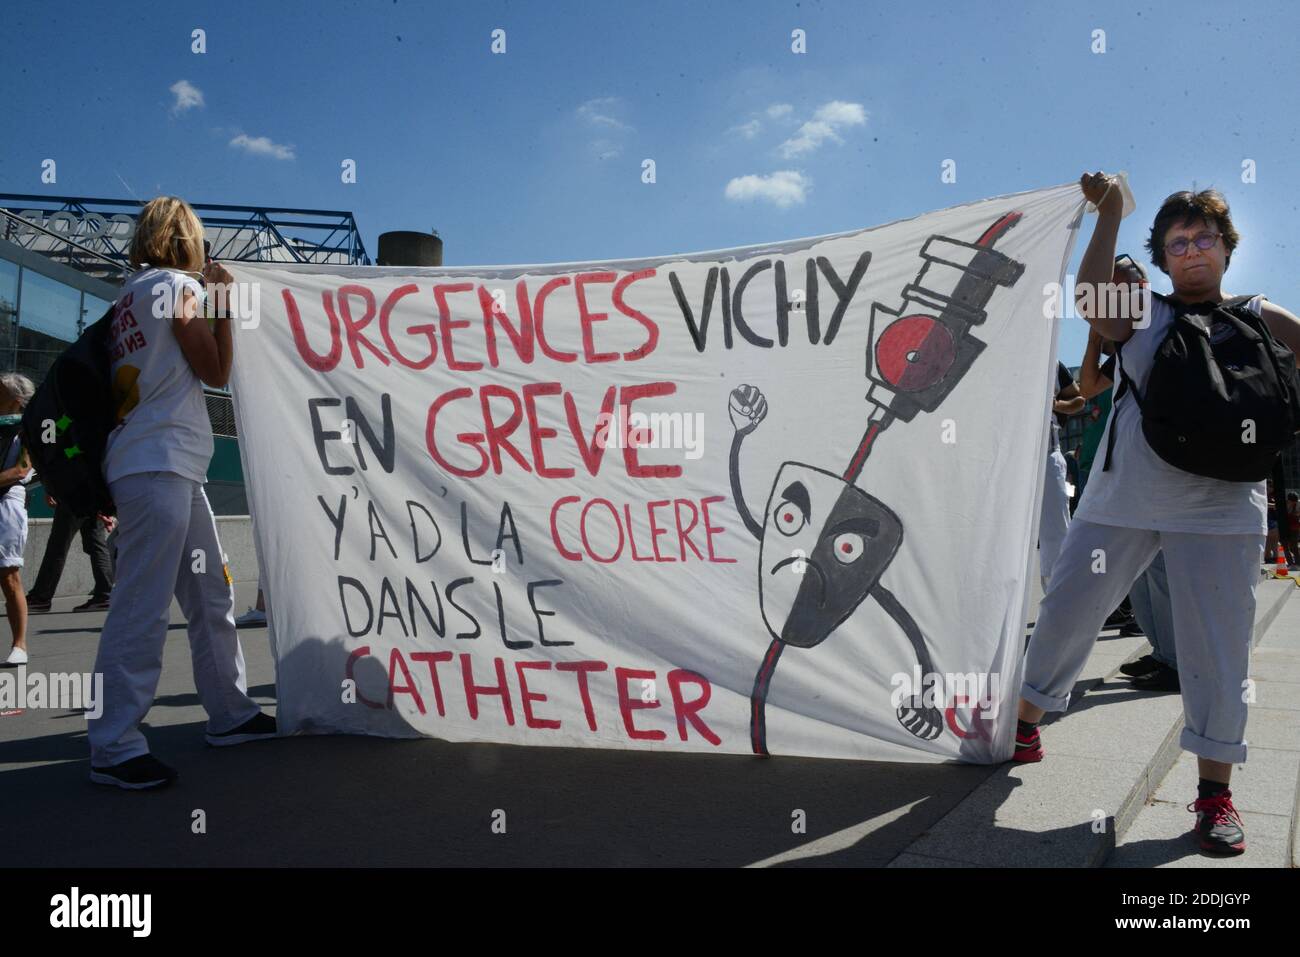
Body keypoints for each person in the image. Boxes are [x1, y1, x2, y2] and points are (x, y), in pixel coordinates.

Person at [1014, 174, 1300, 855]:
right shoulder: (1144, 311)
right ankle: (1024, 720)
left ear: (1227, 250)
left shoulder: (1265, 315)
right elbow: (1088, 298)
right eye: (1178, 241)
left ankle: (1213, 794)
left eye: (1205, 238)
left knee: (1219, 657)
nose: (1193, 249)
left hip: (1226, 510)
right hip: (1124, 503)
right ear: (1164, 256)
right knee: (1065, 614)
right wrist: (1110, 210)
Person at [86, 196, 275, 790]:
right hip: (159, 461)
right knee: (143, 604)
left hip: (160, 463)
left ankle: (231, 712)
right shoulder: (173, 286)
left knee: (209, 591)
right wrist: (222, 301)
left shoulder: (128, 296)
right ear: (184, 240)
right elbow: (215, 370)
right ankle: (114, 743)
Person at [25, 492, 115, 613]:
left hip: (72, 496)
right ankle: (105, 595)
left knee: (58, 546)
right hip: (94, 495)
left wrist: (51, 490)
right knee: (97, 545)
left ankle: (41, 597)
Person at [0, 373, 36, 666]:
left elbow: (21, 471)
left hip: (7, 503)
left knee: (9, 576)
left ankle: (19, 644)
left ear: (15, 399)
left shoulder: (27, 430)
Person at [1039, 362, 1084, 590]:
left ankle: (1060, 592)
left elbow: (1078, 400)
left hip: (1047, 452)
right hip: (1005, 452)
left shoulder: (1053, 362)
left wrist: (1056, 404)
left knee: (1056, 529)